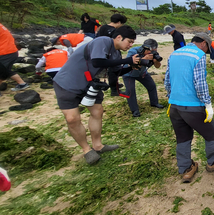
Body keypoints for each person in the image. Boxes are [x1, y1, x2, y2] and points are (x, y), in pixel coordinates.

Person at [53, 25, 140, 165]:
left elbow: (115, 72)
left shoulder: (117, 53)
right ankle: (86, 150)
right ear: (119, 37)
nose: (130, 45)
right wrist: (127, 61)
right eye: (129, 41)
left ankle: (97, 145)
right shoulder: (103, 41)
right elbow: (97, 61)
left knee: (97, 111)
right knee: (72, 118)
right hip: (67, 83)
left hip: (90, 84)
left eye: (132, 43)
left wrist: (131, 66)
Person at [165, 32, 214, 183]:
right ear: (204, 43)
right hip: (192, 106)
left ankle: (186, 169)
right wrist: (207, 104)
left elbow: (167, 80)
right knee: (212, 132)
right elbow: (200, 83)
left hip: (174, 106)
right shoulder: (198, 55)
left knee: (183, 137)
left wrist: (172, 97)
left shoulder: (174, 54)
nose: (206, 52)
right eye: (207, 49)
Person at [122, 39, 164, 117]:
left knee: (151, 86)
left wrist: (156, 60)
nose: (151, 52)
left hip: (142, 73)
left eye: (153, 51)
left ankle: (154, 103)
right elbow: (132, 66)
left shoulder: (153, 53)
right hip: (128, 74)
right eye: (150, 51)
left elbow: (158, 66)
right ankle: (135, 110)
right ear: (145, 48)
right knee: (130, 91)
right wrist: (145, 59)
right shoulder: (133, 51)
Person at [0, 23, 29, 92]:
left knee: (1, 72)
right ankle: (22, 84)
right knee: (5, 71)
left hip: (5, 52)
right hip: (10, 51)